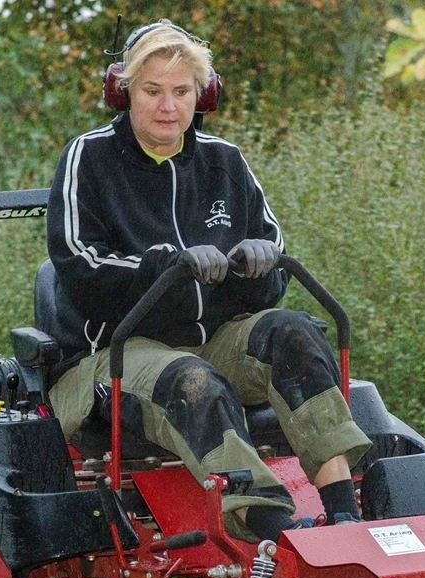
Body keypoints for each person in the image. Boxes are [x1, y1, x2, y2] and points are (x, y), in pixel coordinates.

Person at [44, 20, 371, 543]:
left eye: (181, 91)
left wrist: (259, 263)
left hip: (214, 340)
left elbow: (270, 272)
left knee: (296, 333)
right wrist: (167, 265)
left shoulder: (226, 162)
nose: (168, 106)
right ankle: (269, 526)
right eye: (153, 90)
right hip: (114, 353)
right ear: (123, 90)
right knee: (195, 381)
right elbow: (83, 268)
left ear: (204, 94)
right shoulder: (89, 158)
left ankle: (345, 513)